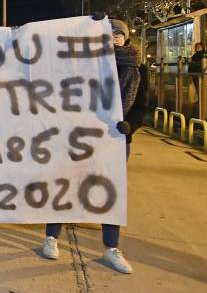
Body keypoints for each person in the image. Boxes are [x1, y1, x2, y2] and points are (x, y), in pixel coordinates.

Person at [40, 17, 148, 274]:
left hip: (115, 140)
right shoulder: (83, 63)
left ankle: (111, 248)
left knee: (108, 193)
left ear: (126, 38)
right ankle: (51, 237)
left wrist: (129, 126)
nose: (113, 37)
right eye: (107, 32)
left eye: (118, 33)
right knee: (64, 185)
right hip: (78, 137)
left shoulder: (137, 69)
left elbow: (143, 105)